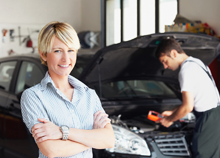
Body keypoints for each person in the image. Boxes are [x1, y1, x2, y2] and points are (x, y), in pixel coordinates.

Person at [20, 21, 115, 158]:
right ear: (43, 54)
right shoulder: (33, 96)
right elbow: (52, 150)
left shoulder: (89, 95)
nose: (66, 59)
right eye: (58, 51)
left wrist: (62, 132)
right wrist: (93, 139)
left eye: (71, 50)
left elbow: (109, 140)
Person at [155, 38, 220, 158]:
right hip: (215, 115)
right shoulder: (197, 62)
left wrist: (169, 120)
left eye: (165, 61)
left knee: (202, 154)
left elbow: (188, 107)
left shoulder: (186, 70)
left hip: (208, 118)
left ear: (174, 53)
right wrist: (172, 112)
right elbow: (193, 100)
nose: (165, 66)